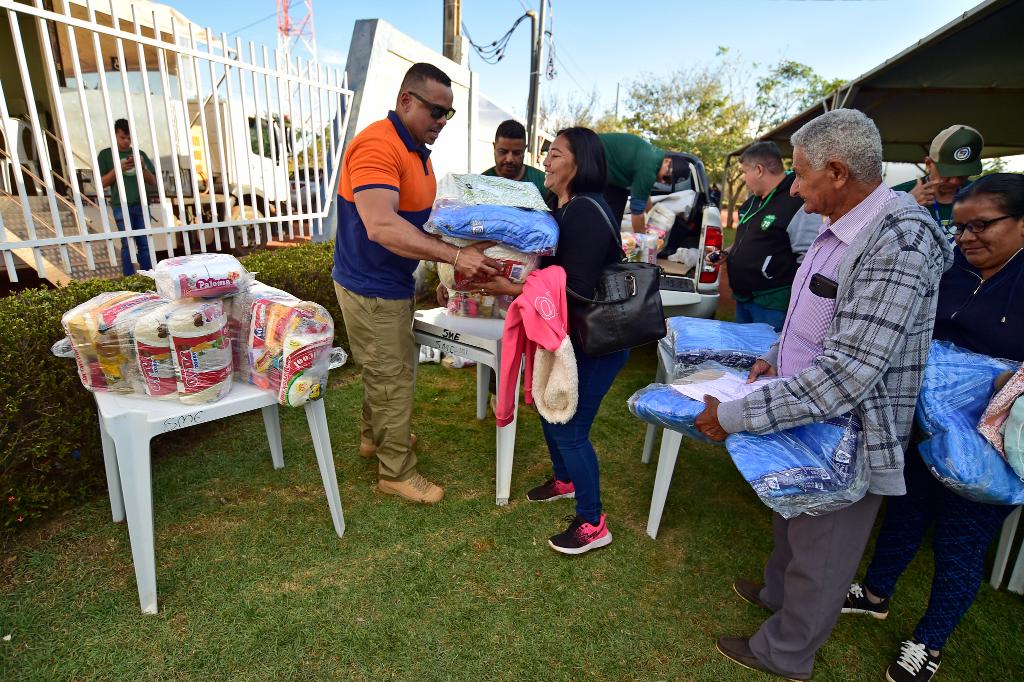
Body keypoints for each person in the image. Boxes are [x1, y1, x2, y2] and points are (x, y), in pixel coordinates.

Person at [694, 109, 953, 681]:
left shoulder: (900, 239)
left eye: (803, 175)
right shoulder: (843, 221)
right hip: (803, 405)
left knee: (824, 547)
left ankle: (785, 652)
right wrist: (777, 354)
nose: (796, 189)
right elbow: (813, 302)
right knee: (792, 513)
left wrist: (735, 416)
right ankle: (775, 592)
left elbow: (848, 374)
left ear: (836, 172)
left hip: (850, 427)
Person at [842, 173, 1024, 682]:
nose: (967, 238)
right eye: (961, 228)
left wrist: (1000, 384)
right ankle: (875, 593)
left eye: (982, 225)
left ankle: (930, 641)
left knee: (961, 543)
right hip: (927, 425)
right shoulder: (953, 270)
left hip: (991, 445)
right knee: (905, 508)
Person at [332, 62, 499, 504]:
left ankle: (375, 439)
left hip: (390, 282)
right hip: (369, 285)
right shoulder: (376, 146)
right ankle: (396, 472)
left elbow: (421, 221)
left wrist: (461, 244)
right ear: (406, 100)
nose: (442, 122)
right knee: (392, 377)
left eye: (449, 114)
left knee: (384, 369)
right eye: (435, 111)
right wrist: (454, 255)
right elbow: (382, 226)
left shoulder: (414, 147)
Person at [479, 127, 627, 554]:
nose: (545, 159)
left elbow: (576, 287)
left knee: (573, 428)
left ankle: (593, 521)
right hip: (569, 335)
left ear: (577, 163)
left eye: (555, 153)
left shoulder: (583, 210)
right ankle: (564, 481)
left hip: (599, 340)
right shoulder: (560, 208)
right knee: (550, 409)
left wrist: (510, 290)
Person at [716, 141, 811, 331]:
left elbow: (808, 257)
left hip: (772, 304)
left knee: (765, 356)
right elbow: (745, 241)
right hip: (743, 297)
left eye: (744, 172)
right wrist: (727, 253)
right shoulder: (751, 202)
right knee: (742, 353)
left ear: (759, 170)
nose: (744, 177)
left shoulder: (798, 202)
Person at [892, 124, 984, 241]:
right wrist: (906, 207)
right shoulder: (897, 195)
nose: (954, 181)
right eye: (947, 174)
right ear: (929, 163)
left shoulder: (980, 194)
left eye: (962, 175)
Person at [97, 118, 157, 276]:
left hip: (142, 204)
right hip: (120, 205)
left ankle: (148, 277)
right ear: (115, 135)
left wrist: (142, 167)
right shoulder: (105, 155)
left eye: (129, 138)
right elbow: (101, 183)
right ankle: (129, 278)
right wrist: (119, 168)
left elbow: (153, 181)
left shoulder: (139, 154)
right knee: (127, 244)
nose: (126, 142)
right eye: (122, 137)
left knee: (144, 244)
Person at [598, 132, 687, 233]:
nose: (662, 181)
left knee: (619, 199)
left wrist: (651, 216)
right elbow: (637, 212)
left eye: (668, 182)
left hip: (607, 172)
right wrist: (645, 240)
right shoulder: (649, 167)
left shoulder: (654, 159)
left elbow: (645, 194)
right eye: (666, 177)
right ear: (667, 161)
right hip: (590, 155)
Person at [481, 119, 548, 198]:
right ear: (494, 147)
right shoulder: (480, 184)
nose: (509, 159)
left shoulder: (543, 182)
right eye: (503, 152)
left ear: (524, 150)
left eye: (517, 153)